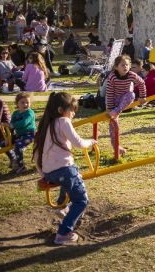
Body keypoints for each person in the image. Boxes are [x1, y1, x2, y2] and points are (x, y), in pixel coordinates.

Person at [32, 92, 97, 245]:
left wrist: (44, 174)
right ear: (61, 110)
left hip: (49, 173)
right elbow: (79, 143)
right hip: (64, 170)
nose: (73, 113)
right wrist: (91, 141)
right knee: (81, 200)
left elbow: (36, 154)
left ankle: (65, 208)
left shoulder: (45, 125)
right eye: (72, 110)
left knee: (72, 177)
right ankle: (64, 233)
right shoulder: (63, 121)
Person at [105, 55, 147, 157]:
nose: (125, 67)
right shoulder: (112, 77)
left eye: (127, 65)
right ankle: (116, 147)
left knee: (131, 94)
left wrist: (142, 96)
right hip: (114, 101)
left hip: (124, 99)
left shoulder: (132, 75)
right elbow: (109, 93)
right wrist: (109, 108)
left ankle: (116, 111)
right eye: (122, 65)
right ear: (116, 67)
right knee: (114, 127)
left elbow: (141, 83)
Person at [6, 92, 36, 173]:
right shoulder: (15, 113)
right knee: (4, 143)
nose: (25, 104)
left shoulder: (29, 112)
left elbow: (24, 123)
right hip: (19, 135)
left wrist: (12, 125)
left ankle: (21, 165)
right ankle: (13, 159)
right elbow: (11, 124)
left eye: (27, 102)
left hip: (29, 134)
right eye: (22, 102)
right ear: (17, 103)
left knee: (18, 146)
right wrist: (10, 133)